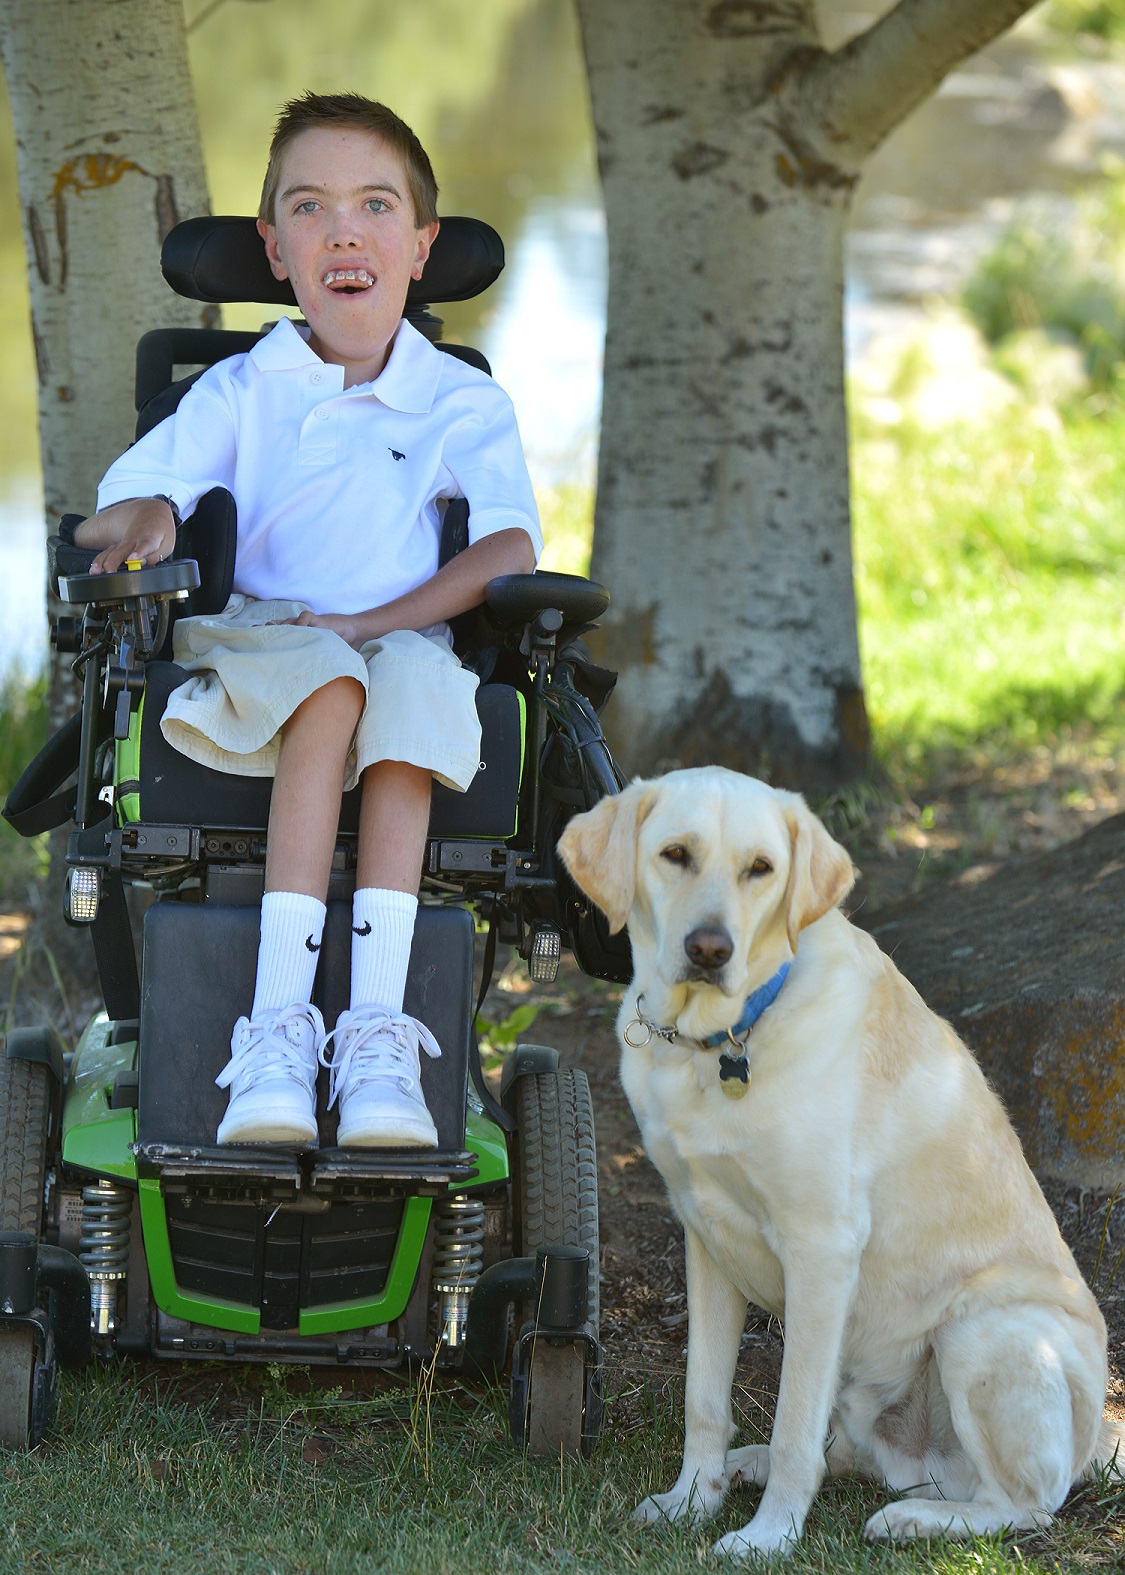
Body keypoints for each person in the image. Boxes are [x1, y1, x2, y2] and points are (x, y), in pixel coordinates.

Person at [74, 92, 541, 1151]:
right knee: (331, 676)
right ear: (273, 248)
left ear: (422, 248)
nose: (344, 229)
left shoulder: (460, 401)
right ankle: (277, 1029)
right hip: (261, 638)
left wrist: (380, 620)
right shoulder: (243, 389)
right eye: (311, 207)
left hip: (401, 634)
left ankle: (378, 1034)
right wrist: (153, 510)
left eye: (377, 205)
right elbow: (129, 500)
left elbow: (509, 549)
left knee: (415, 691)